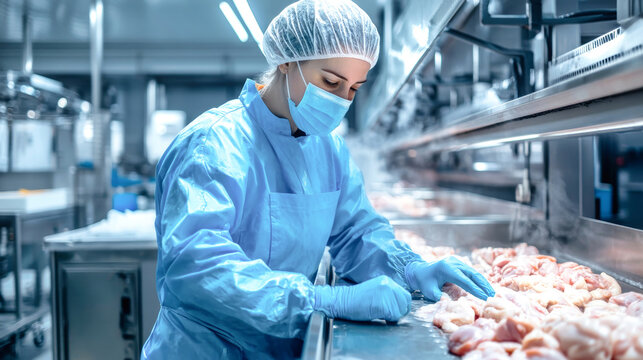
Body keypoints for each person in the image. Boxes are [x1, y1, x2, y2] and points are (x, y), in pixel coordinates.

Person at [141, 0, 495, 359]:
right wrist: (322, 299)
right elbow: (196, 269)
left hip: (282, 347)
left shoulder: (328, 150)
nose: (341, 101)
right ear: (287, 62)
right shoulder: (213, 144)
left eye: (354, 89)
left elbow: (357, 232)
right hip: (205, 349)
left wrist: (411, 267)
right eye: (330, 81)